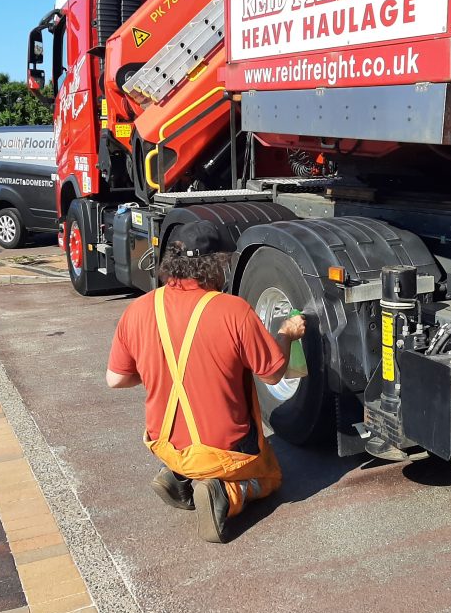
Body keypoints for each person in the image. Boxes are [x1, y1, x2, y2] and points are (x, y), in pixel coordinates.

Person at [105, 221, 307, 543]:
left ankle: (178, 476)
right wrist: (287, 334)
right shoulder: (233, 311)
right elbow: (272, 373)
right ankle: (225, 494)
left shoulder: (139, 309)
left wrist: (155, 368)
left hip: (165, 443)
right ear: (218, 264)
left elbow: (115, 379)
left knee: (188, 448)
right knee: (270, 475)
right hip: (222, 449)